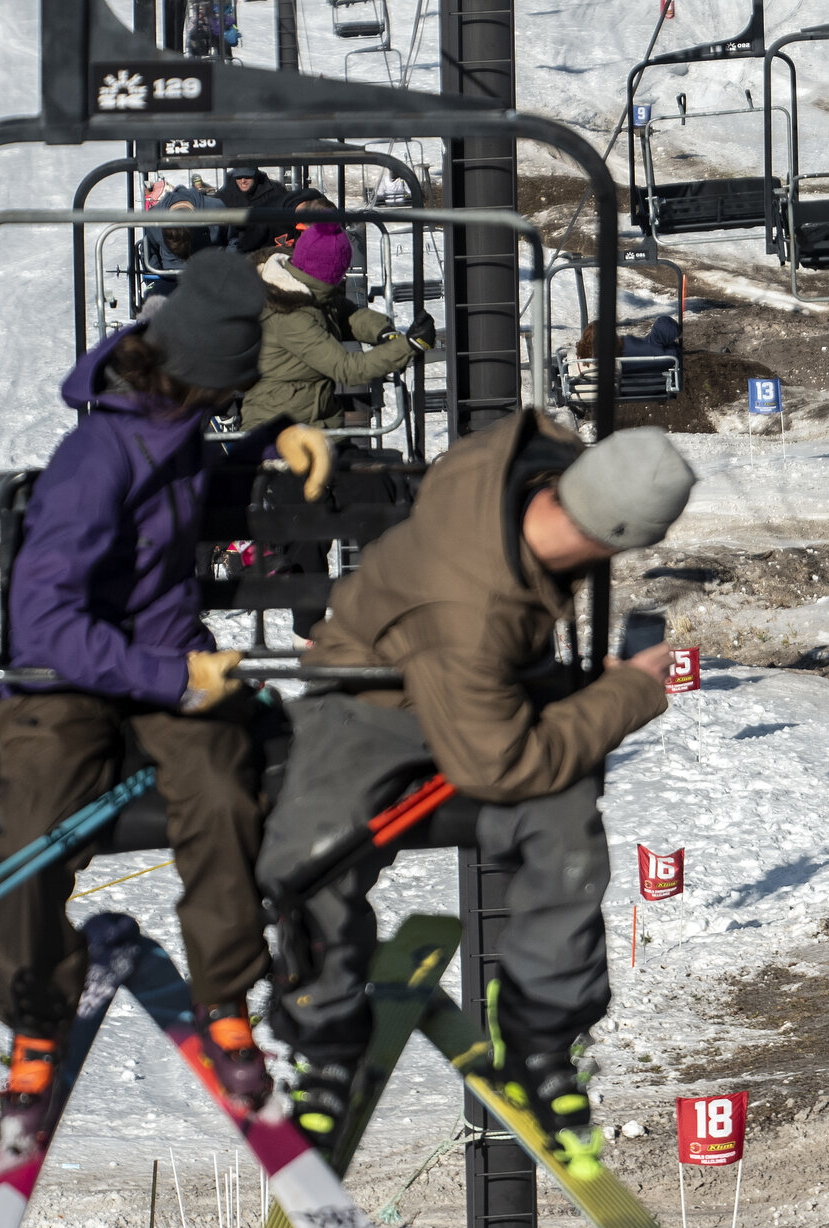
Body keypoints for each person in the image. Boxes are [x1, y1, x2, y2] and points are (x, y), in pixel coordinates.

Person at [253, 416, 693, 1151]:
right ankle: (326, 1036)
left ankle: (541, 1035)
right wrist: (627, 695)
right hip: (368, 699)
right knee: (313, 855)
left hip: (488, 684)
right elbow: (496, 766)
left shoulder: (523, 466)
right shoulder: (469, 600)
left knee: (566, 831)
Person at [0, 249, 329, 1156]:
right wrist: (175, 679)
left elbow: (186, 489)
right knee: (34, 831)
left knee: (221, 789)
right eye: (225, 396)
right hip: (65, 683)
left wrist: (269, 442)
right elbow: (43, 619)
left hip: (160, 660)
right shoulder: (94, 460)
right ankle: (33, 1020)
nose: (224, 406)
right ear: (190, 376)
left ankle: (223, 1001)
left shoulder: (172, 426)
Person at [239, 223, 427, 432]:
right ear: (333, 274)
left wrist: (383, 331)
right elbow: (346, 368)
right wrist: (407, 345)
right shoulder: (290, 314)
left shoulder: (300, 287)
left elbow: (347, 314)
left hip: (314, 420)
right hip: (278, 430)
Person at [219, 165, 290, 254]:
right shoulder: (224, 196)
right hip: (236, 251)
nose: (243, 181)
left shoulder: (275, 190)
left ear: (256, 175)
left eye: (247, 177)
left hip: (268, 249)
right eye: (239, 177)